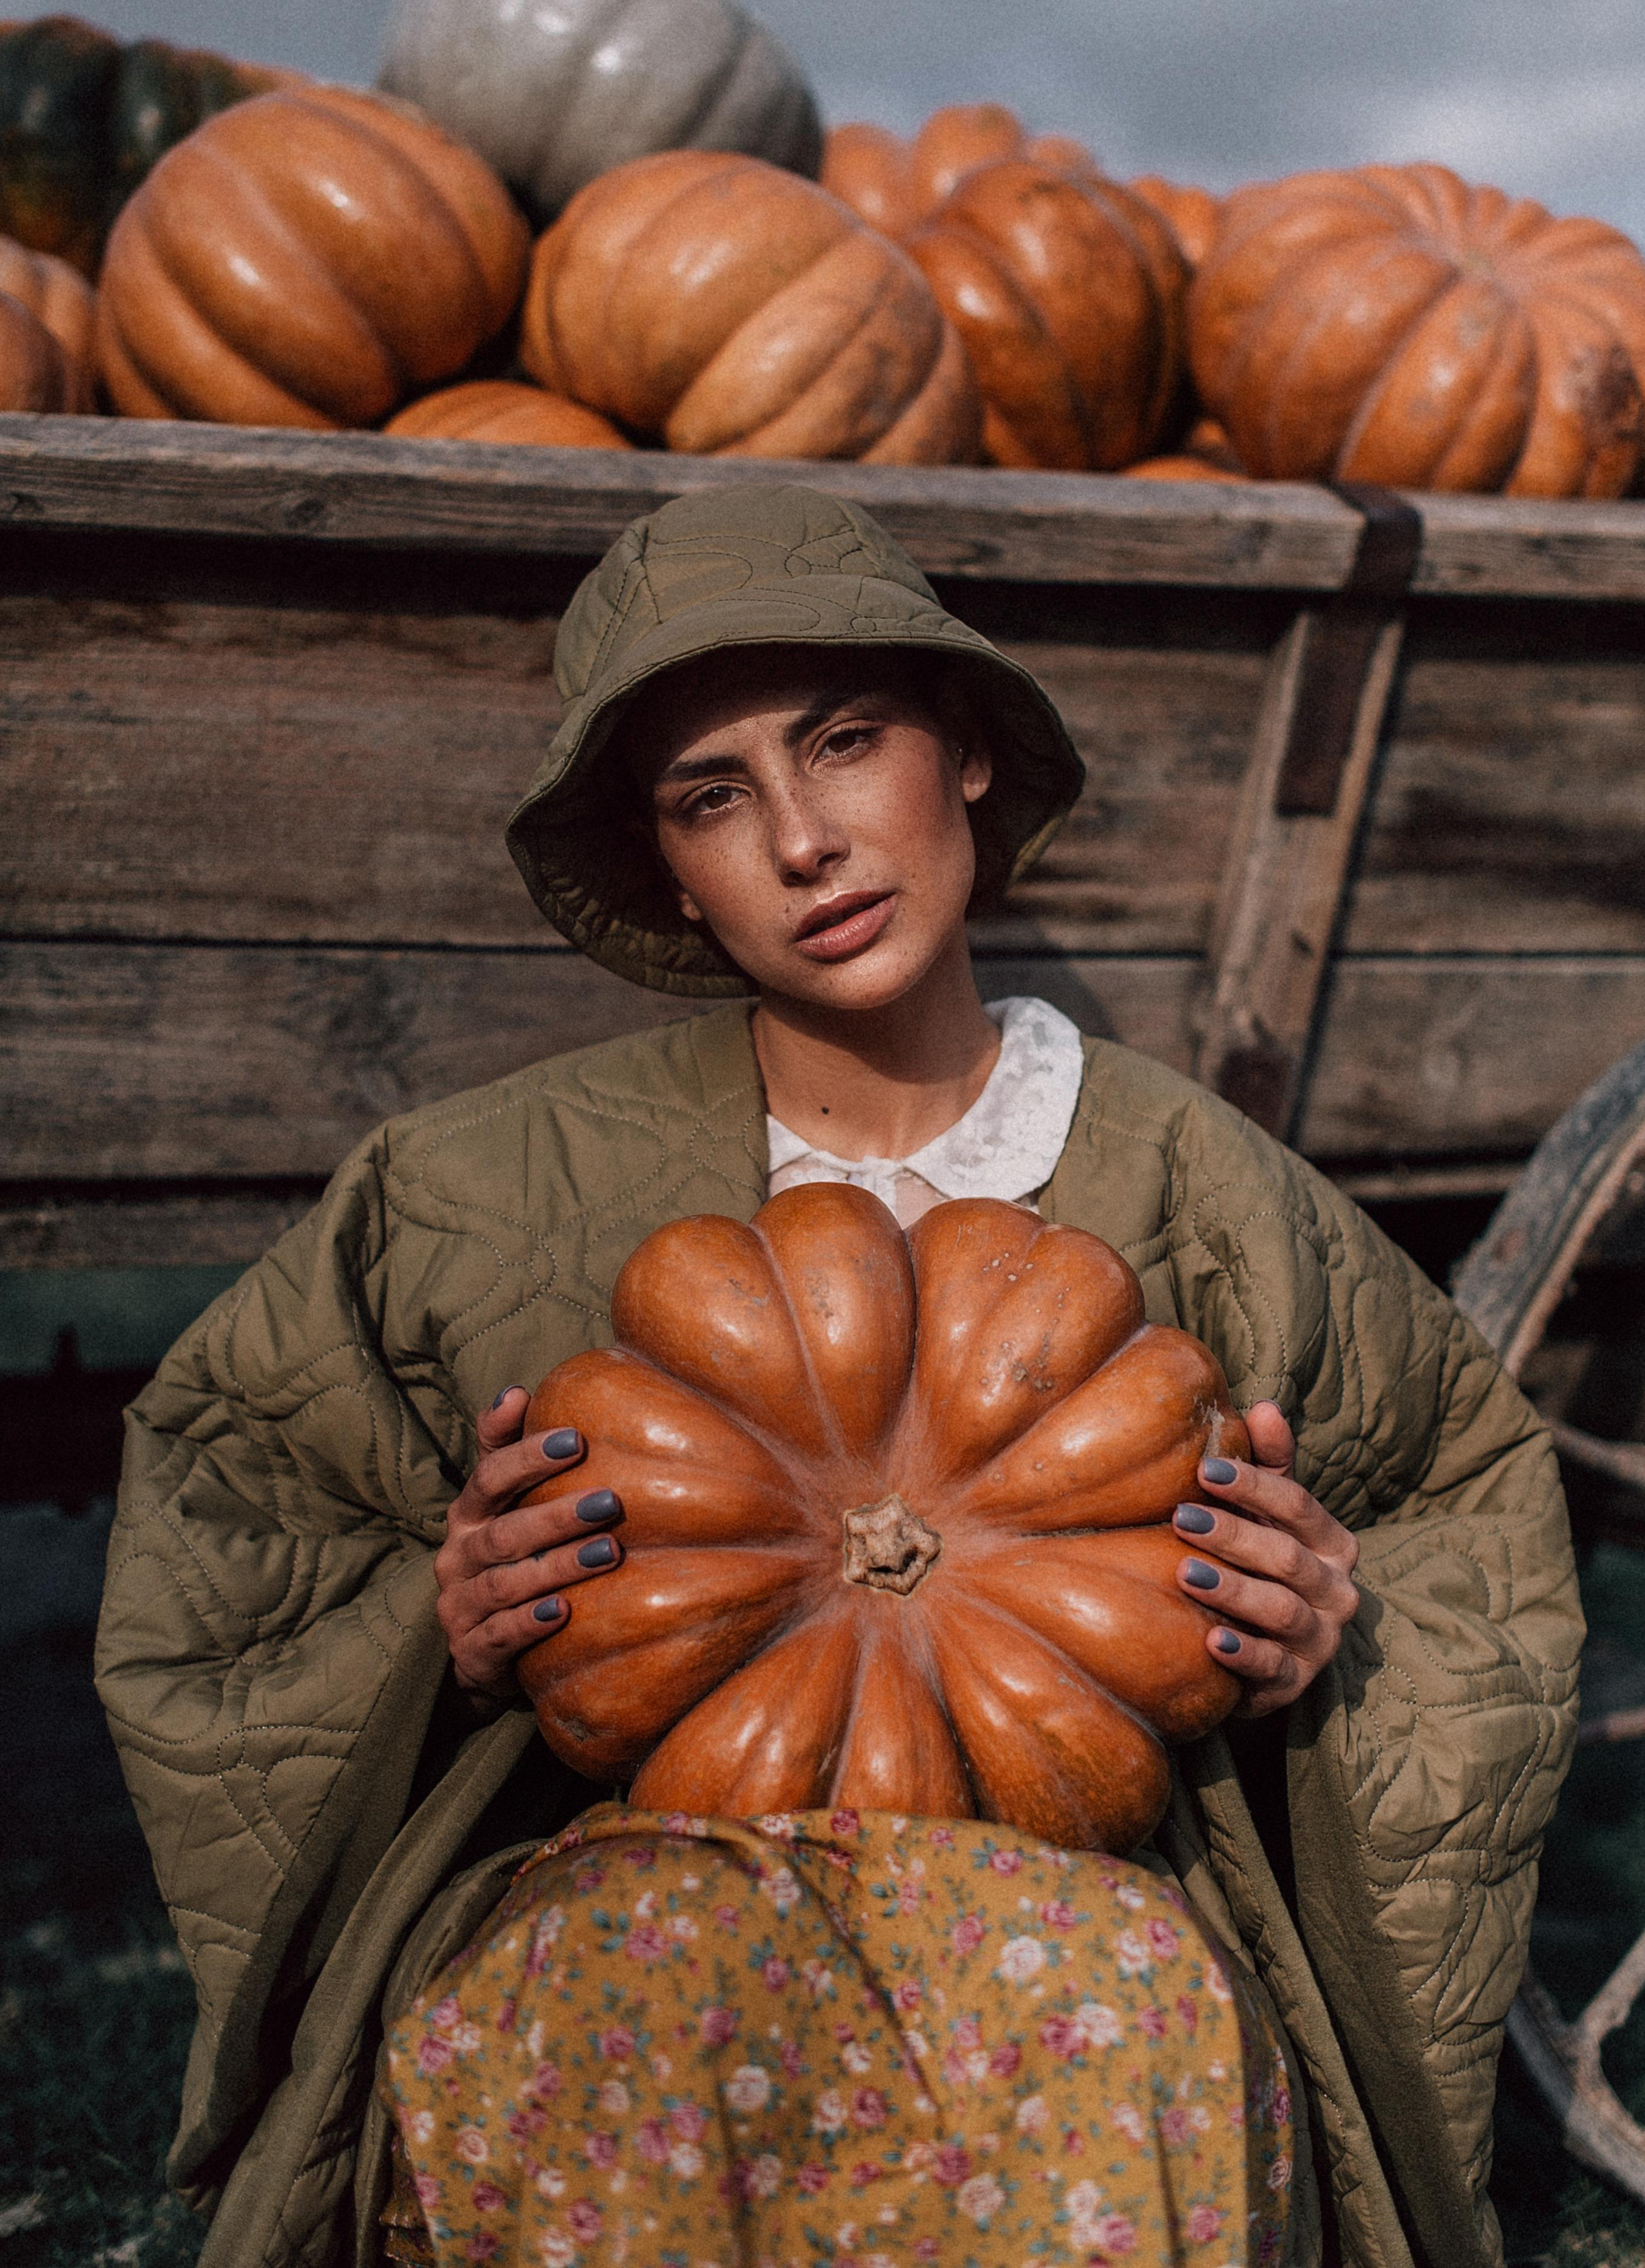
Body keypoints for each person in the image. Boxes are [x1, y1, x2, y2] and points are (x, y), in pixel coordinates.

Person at [96, 483, 1581, 2268]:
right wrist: (444, 1630)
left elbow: (1454, 1506)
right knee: (623, 2002)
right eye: (714, 798)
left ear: (960, 754)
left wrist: (1339, 1622)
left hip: (1083, 1907)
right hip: (634, 1884)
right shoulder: (474, 1193)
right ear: (668, 865)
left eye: (845, 743)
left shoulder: (1205, 1194)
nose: (804, 840)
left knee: (1095, 2042)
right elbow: (238, 1527)